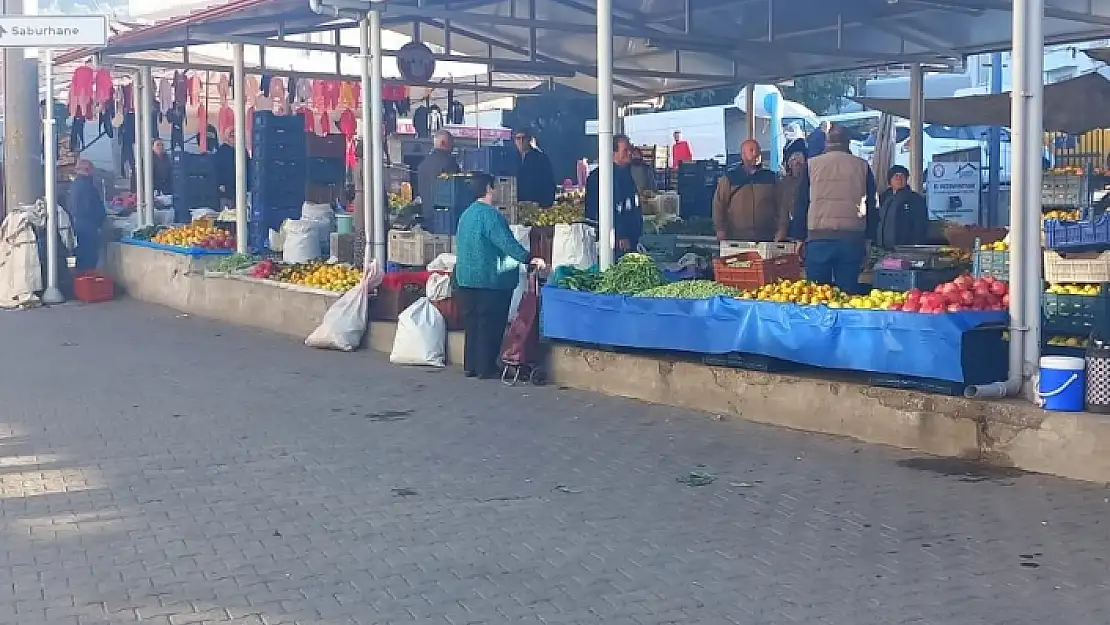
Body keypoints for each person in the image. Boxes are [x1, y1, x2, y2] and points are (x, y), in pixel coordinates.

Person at [454, 174, 545, 379]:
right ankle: (485, 367)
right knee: (490, 325)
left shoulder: (466, 215)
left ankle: (472, 366)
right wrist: (528, 258)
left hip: (466, 279)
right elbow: (505, 242)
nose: (495, 191)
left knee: (473, 325)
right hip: (490, 280)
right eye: (493, 187)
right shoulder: (490, 216)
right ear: (488, 188)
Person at [792, 125, 878, 295]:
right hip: (851, 239)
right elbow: (872, 206)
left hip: (818, 238)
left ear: (827, 141)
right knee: (847, 294)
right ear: (848, 142)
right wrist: (869, 239)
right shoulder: (862, 166)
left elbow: (802, 203)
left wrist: (799, 238)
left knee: (817, 294)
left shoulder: (811, 165)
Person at [712, 139, 786, 242]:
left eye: (758, 150)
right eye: (751, 150)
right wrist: (720, 229)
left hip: (766, 238)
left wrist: (782, 228)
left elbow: (782, 205)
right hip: (737, 238)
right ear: (743, 154)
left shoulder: (771, 178)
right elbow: (719, 205)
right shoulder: (730, 179)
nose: (756, 153)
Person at [585, 134, 642, 256]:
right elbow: (608, 207)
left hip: (628, 238)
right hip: (613, 241)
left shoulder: (625, 173)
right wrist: (620, 234)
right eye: (625, 150)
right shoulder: (601, 177)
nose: (629, 154)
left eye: (629, 150)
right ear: (613, 153)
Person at [66, 159, 106, 272]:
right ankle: (86, 285)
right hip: (88, 227)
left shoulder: (75, 185)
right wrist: (100, 220)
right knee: (89, 260)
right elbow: (92, 207)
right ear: (87, 170)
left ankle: (81, 284)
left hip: (78, 226)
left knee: (82, 259)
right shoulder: (86, 186)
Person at [875, 165, 928, 250]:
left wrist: (915, 247)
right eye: (896, 176)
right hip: (883, 249)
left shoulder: (915, 199)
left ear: (906, 179)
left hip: (905, 248)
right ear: (890, 180)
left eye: (902, 176)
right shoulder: (883, 198)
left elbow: (920, 226)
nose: (899, 178)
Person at [415, 129, 460, 214]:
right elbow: (457, 191)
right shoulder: (449, 163)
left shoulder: (422, 164)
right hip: (445, 216)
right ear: (443, 143)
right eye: (451, 143)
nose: (453, 147)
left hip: (426, 213)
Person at [514, 129, 556, 207]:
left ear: (529, 140)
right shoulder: (512, 158)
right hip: (517, 204)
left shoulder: (540, 158)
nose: (521, 141)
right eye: (518, 138)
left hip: (536, 204)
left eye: (524, 138)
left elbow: (549, 182)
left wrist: (545, 204)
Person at [778, 139, 808, 227]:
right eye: (793, 159)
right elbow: (782, 209)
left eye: (799, 161)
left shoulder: (810, 182)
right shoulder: (783, 183)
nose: (795, 164)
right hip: (789, 229)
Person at [215, 128, 251, 201]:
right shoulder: (222, 151)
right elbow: (218, 169)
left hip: (242, 189)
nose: (234, 137)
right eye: (231, 136)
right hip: (227, 191)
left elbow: (248, 169)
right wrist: (220, 184)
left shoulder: (243, 151)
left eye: (235, 135)